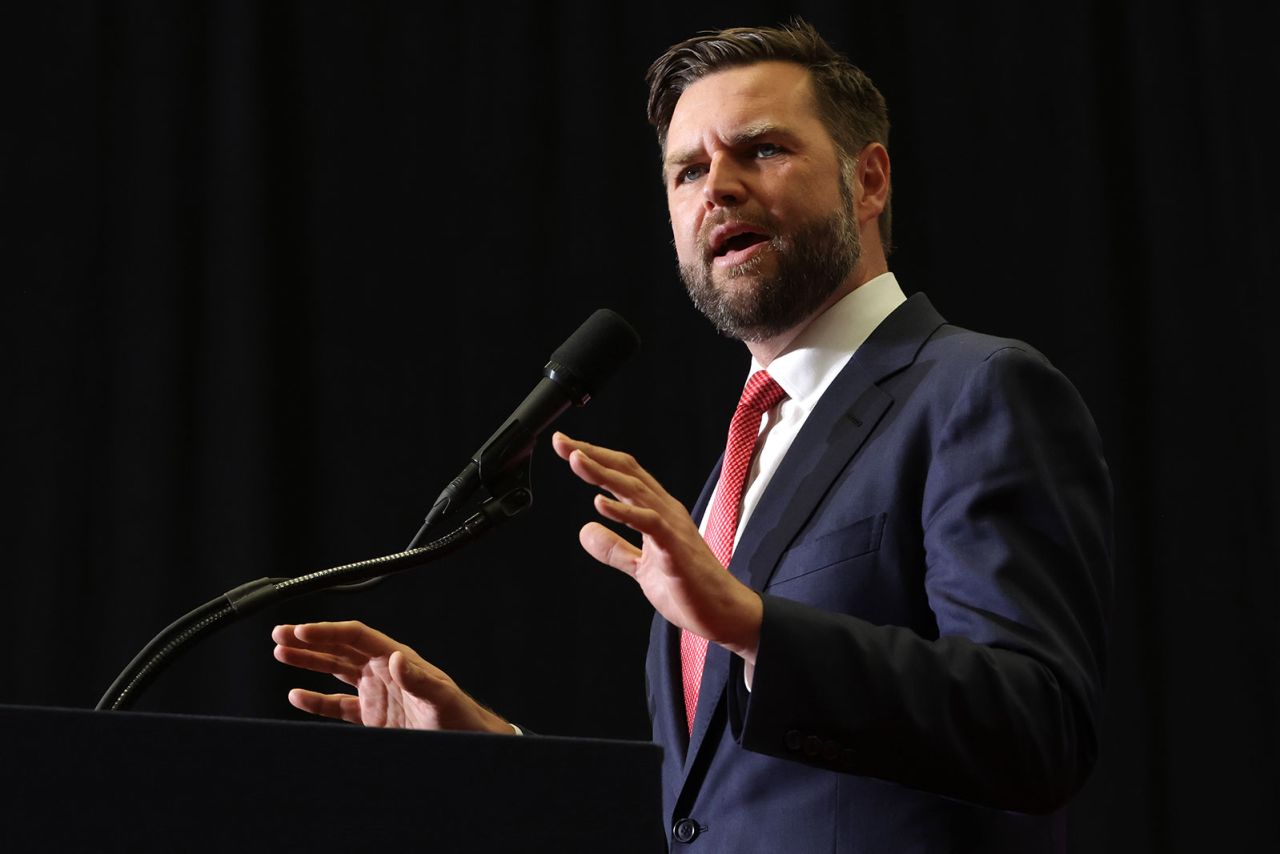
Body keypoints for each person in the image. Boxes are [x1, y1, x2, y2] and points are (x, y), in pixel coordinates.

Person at [272, 20, 1112, 852]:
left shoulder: (975, 391)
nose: (718, 187)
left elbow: (1037, 727)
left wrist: (753, 625)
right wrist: (493, 759)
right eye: (688, 171)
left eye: (762, 150)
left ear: (870, 180)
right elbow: (704, 822)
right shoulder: (734, 473)